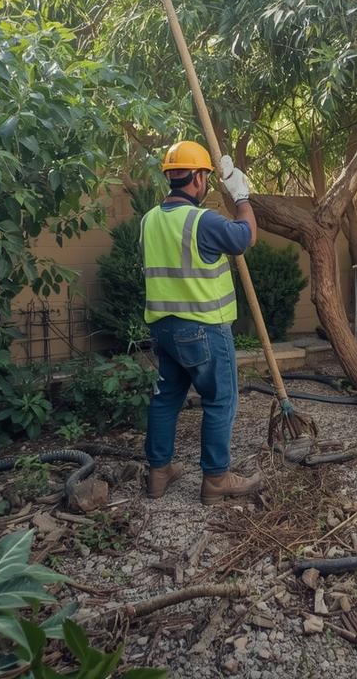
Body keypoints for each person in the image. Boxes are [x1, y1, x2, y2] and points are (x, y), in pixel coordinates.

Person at [141, 140, 263, 504]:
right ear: (196, 178)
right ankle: (216, 479)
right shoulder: (201, 220)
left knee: (166, 399)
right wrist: (241, 196)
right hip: (204, 330)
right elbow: (246, 236)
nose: (206, 183)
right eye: (206, 177)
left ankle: (158, 472)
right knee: (220, 399)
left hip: (163, 329)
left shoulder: (149, 220)